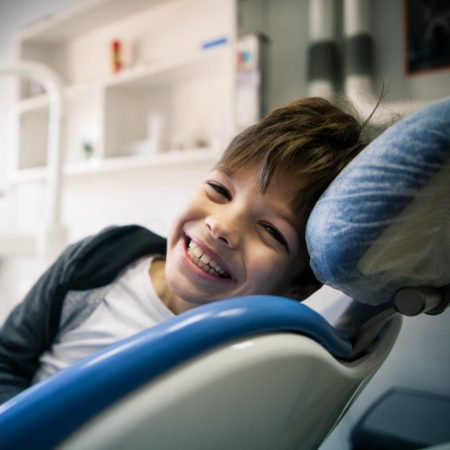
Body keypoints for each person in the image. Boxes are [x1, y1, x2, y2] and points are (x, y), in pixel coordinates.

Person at [0, 96, 370, 404]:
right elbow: (6, 360)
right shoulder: (98, 260)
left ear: (299, 288)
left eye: (271, 231)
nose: (222, 226)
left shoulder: (256, 366)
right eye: (219, 190)